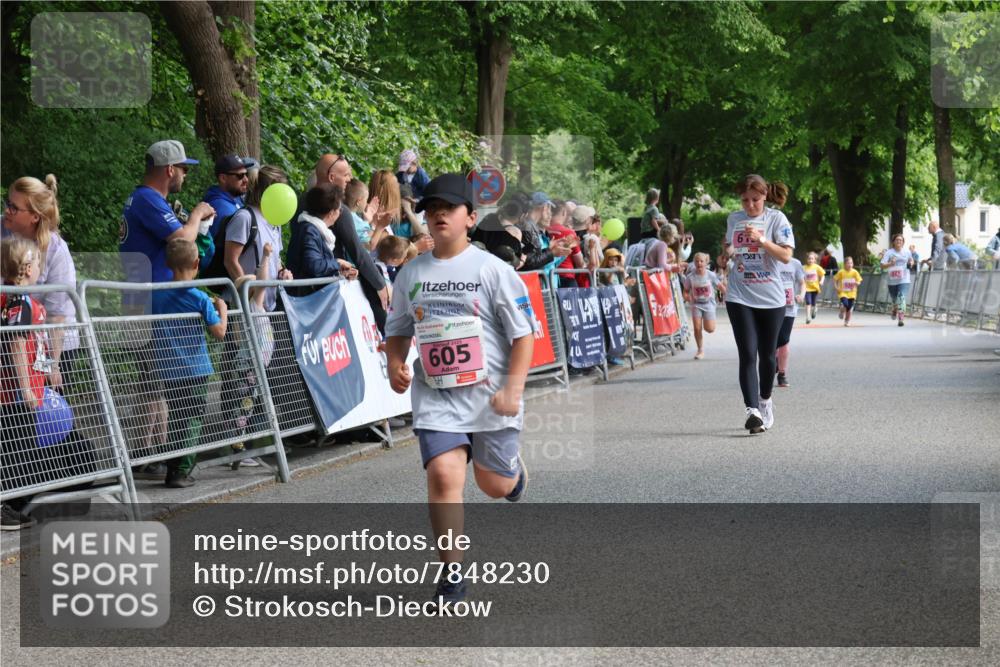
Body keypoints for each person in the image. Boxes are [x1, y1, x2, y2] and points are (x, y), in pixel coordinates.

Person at [385, 173, 535, 605]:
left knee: (494, 485)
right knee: (444, 474)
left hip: (490, 397)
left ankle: (514, 476)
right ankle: (452, 575)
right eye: (431, 210)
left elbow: (523, 335)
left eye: (447, 209)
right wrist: (396, 363)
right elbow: (397, 329)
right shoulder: (410, 273)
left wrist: (512, 390)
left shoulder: (493, 270)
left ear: (470, 217)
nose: (437, 216)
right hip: (437, 395)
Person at [151, 239, 228, 487]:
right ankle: (180, 471)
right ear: (196, 263)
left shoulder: (157, 294)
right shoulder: (199, 298)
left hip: (169, 368)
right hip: (195, 368)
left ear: (167, 263)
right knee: (193, 417)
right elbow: (219, 332)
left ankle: (172, 467)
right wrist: (223, 309)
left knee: (177, 416)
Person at [723, 174, 795, 433]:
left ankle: (765, 401)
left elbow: (786, 256)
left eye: (755, 200)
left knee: (767, 355)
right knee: (747, 353)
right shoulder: (734, 219)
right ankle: (751, 410)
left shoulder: (776, 219)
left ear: (765, 196)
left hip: (771, 297)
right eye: (745, 200)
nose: (750, 205)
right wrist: (726, 254)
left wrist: (762, 241)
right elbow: (728, 249)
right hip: (739, 294)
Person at [2, 175, 78, 392]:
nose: (7, 210)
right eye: (7, 203)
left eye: (14, 208)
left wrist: (51, 366)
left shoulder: (56, 250)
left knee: (45, 410)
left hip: (50, 343)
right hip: (10, 335)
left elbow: (58, 314)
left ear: (34, 216)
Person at [1, 237, 49, 529]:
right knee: (17, 453)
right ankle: (8, 507)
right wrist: (27, 389)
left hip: (16, 390)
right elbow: (18, 344)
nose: (40, 267)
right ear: (28, 268)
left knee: (17, 452)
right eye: (38, 263)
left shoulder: (10, 296)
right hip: (15, 395)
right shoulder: (20, 300)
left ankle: (14, 505)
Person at [311, 154, 389, 330]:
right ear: (332, 178)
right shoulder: (340, 210)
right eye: (346, 174)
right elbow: (358, 252)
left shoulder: (302, 203)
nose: (350, 179)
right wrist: (380, 284)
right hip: (330, 288)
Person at [121, 140, 215, 285]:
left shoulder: (143, 197)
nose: (185, 175)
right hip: (151, 294)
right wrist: (198, 213)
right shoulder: (148, 199)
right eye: (184, 169)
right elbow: (183, 240)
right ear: (170, 169)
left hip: (145, 291)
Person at [223, 165, 293, 311]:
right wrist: (247, 294)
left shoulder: (275, 220)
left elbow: (275, 258)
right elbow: (230, 261)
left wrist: (282, 272)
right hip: (244, 307)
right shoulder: (245, 218)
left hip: (266, 306)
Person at [286, 183, 359, 283]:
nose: (340, 213)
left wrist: (340, 272)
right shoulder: (310, 231)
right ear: (331, 213)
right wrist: (337, 263)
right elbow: (314, 266)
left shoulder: (313, 229)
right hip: (304, 296)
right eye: (339, 210)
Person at [683, 252, 725, 360]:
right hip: (696, 304)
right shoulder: (690, 277)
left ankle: (708, 326)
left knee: (710, 329)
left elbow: (720, 286)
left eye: (701, 261)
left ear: (706, 263)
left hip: (709, 304)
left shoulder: (710, 275)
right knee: (697, 328)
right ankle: (700, 350)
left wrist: (728, 295)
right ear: (694, 263)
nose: (699, 263)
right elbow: (686, 291)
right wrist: (687, 297)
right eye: (696, 261)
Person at [203, 154, 257, 236]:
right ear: (223, 178)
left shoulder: (232, 197)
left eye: (246, 174)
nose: (246, 180)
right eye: (240, 176)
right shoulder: (222, 209)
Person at [775, 254, 805, 388]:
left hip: (790, 307)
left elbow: (802, 283)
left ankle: (782, 374)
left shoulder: (795, 263)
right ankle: (774, 361)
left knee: (784, 339)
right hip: (773, 306)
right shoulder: (771, 260)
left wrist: (801, 295)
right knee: (773, 340)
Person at [879, 233, 913, 327]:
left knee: (901, 297)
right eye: (897, 240)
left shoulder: (907, 252)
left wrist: (911, 263)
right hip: (892, 280)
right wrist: (890, 263)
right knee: (895, 299)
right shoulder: (889, 253)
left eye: (901, 240)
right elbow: (882, 265)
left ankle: (901, 318)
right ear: (893, 242)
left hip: (904, 279)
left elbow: (911, 260)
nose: (899, 242)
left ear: (903, 243)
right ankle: (894, 308)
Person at [834, 256, 863, 327]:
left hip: (852, 293)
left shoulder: (855, 272)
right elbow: (835, 279)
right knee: (845, 304)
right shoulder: (841, 272)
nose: (850, 265)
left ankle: (847, 321)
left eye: (851, 263)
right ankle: (841, 311)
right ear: (844, 264)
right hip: (843, 292)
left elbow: (859, 280)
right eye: (848, 263)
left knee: (849, 308)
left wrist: (857, 283)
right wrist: (836, 287)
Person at [801, 251, 825, 324]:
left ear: (815, 260)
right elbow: (800, 276)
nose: (810, 260)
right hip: (807, 288)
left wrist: (821, 281)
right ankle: (808, 317)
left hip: (815, 288)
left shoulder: (817, 267)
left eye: (812, 259)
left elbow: (823, 274)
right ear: (806, 259)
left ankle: (814, 309)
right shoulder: (803, 267)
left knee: (813, 303)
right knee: (808, 302)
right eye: (809, 258)